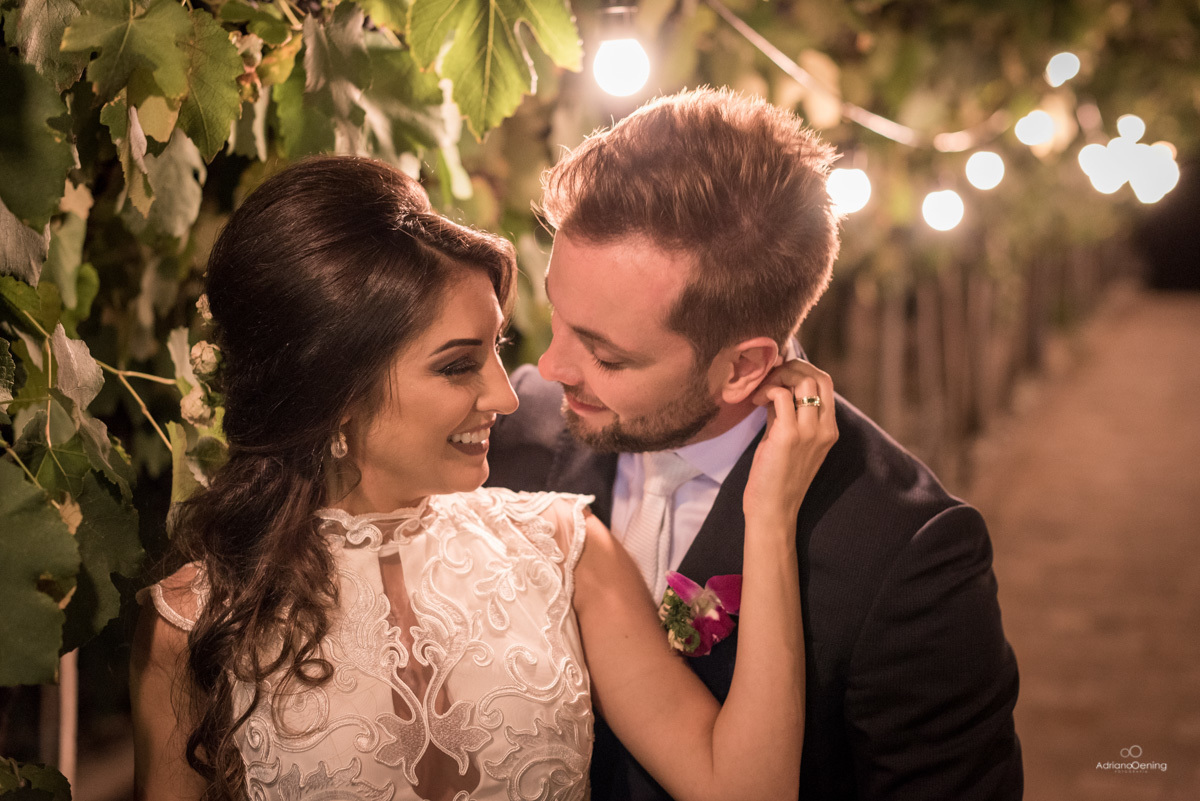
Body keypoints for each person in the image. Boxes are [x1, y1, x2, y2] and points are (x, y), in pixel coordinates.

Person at [130, 156, 837, 800]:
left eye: (496, 348)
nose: (506, 395)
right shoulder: (196, 620)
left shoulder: (563, 549)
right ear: (334, 392)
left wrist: (769, 515)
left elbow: (748, 790)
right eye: (459, 363)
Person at [485, 87, 1023, 799]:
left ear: (742, 366)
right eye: (555, 313)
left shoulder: (907, 554)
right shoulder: (510, 437)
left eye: (607, 355)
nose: (550, 368)